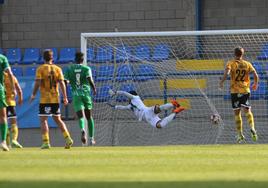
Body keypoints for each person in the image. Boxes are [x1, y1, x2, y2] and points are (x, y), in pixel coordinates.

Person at [30, 49, 73, 149]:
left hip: (45, 99)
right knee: (58, 119)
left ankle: (46, 142)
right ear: (52, 58)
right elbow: (62, 83)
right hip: (55, 99)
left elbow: (37, 82)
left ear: (43, 58)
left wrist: (33, 94)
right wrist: (65, 97)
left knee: (43, 120)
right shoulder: (58, 69)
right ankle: (68, 138)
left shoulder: (40, 69)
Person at [220, 47, 259, 143]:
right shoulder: (247, 64)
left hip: (235, 91)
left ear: (234, 53)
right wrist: (255, 83)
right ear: (242, 54)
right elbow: (255, 75)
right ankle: (252, 128)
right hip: (245, 90)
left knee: (237, 113)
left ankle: (240, 134)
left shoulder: (231, 63)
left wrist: (221, 82)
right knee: (247, 110)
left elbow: (227, 73)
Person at [64, 52, 97, 145]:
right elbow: (90, 79)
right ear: (82, 60)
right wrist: (94, 88)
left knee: (81, 117)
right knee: (89, 117)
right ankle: (91, 139)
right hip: (86, 95)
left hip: (76, 95)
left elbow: (65, 82)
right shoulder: (86, 68)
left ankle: (82, 130)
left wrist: (65, 89)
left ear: (75, 59)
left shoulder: (69, 69)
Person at [108, 90, 185, 128]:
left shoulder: (135, 97)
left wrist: (115, 92)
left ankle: (172, 104)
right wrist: (114, 106)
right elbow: (123, 107)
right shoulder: (130, 106)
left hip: (146, 111)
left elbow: (124, 93)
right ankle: (175, 112)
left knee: (158, 109)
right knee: (159, 125)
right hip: (149, 119)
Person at [0, 54, 16, 151]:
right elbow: (9, 73)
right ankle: (3, 142)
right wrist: (13, 88)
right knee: (2, 116)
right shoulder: (2, 58)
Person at [4, 72, 23, 148]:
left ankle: (7, 144)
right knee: (13, 122)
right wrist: (20, 98)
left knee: (3, 123)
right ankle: (14, 140)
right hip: (10, 102)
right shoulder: (12, 77)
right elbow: (19, 90)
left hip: (1, 103)